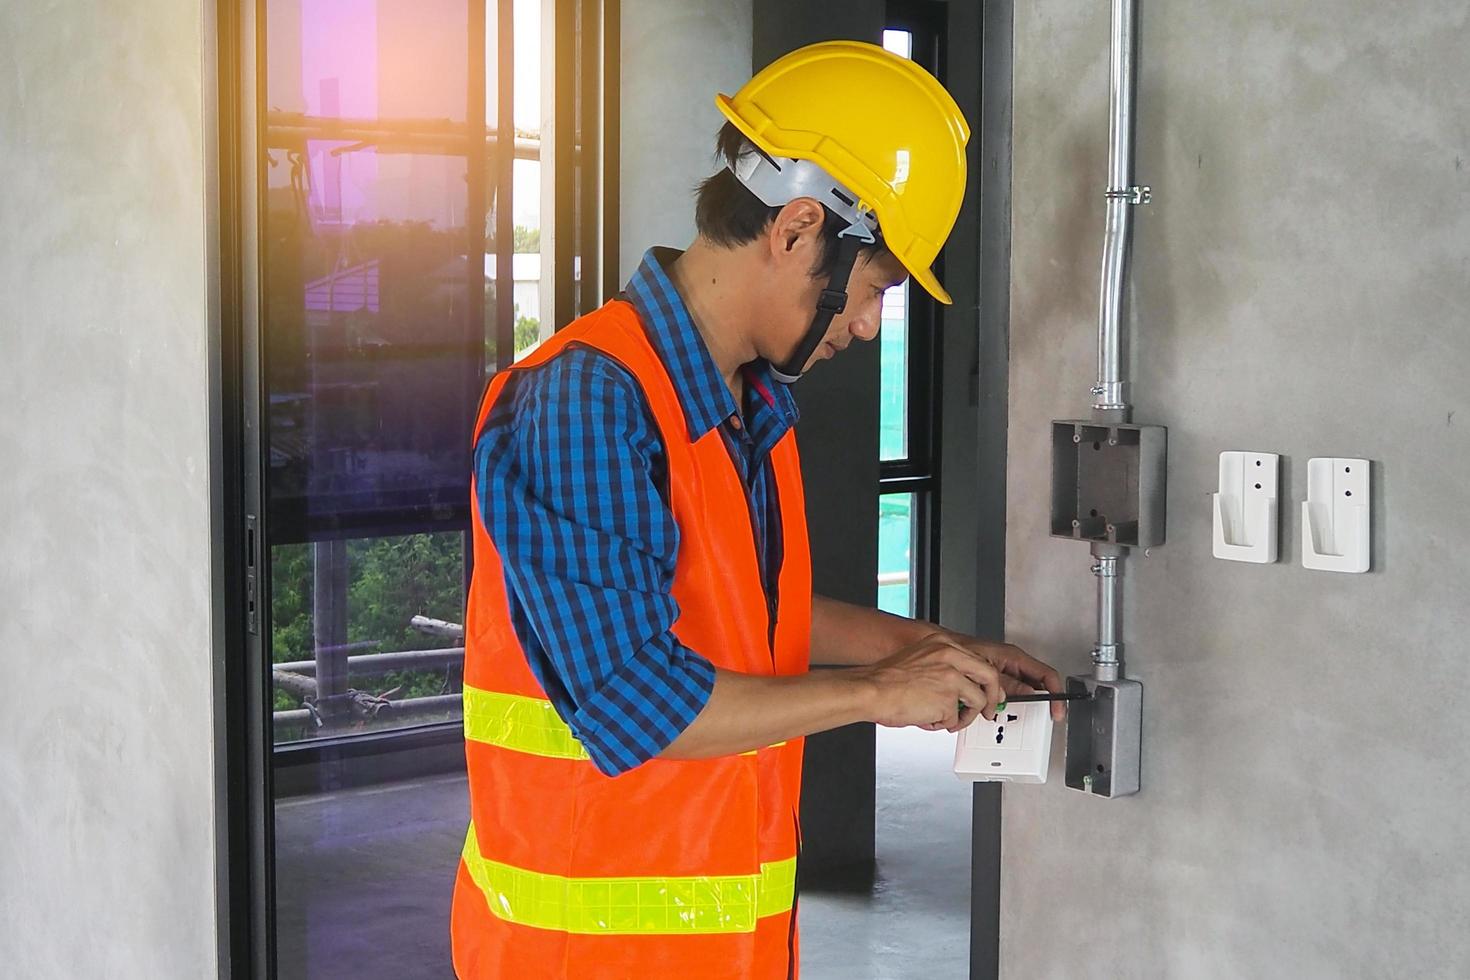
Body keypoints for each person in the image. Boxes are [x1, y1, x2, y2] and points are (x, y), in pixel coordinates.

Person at [450, 40, 1064, 979]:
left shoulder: (744, 405)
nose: (865, 327)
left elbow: (746, 611)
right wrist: (878, 696)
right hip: (583, 958)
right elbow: (633, 699)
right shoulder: (587, 402)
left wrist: (932, 649)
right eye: (874, 291)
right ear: (795, 229)